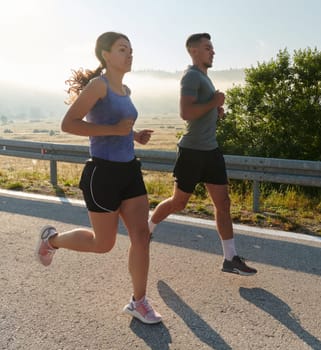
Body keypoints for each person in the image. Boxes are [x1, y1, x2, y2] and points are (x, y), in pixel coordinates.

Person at [35, 31, 162, 324]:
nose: (129, 54)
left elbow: (117, 126)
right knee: (103, 244)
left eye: (131, 49)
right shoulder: (98, 86)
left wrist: (133, 134)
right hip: (102, 174)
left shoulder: (126, 91)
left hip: (130, 171)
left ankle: (138, 302)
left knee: (141, 237)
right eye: (122, 49)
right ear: (105, 54)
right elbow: (69, 124)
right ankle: (52, 240)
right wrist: (117, 131)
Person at [148, 33, 257, 276]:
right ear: (194, 51)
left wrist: (214, 109)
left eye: (212, 48)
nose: (213, 52)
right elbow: (185, 112)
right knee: (179, 202)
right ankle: (148, 227)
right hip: (192, 151)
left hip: (211, 150)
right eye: (208, 48)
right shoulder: (191, 76)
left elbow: (199, 110)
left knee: (223, 203)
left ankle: (231, 258)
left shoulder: (204, 78)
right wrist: (213, 102)